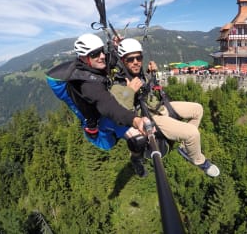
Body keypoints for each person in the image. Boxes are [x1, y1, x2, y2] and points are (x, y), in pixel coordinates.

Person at [111, 38, 220, 177]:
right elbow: (118, 111)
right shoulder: (118, 84)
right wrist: (130, 91)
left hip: (159, 106)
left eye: (139, 57)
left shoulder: (139, 74)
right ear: (122, 61)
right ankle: (199, 161)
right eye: (130, 59)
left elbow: (147, 87)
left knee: (197, 109)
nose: (136, 62)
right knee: (192, 133)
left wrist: (151, 74)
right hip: (150, 116)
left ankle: (185, 149)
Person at [46, 33, 150, 177]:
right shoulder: (87, 86)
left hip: (103, 116)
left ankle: (136, 156)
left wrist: (115, 46)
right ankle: (136, 160)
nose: (102, 56)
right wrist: (135, 120)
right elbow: (108, 106)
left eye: (101, 51)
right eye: (95, 54)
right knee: (137, 139)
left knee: (137, 139)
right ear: (84, 58)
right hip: (99, 129)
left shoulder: (92, 64)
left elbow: (109, 60)